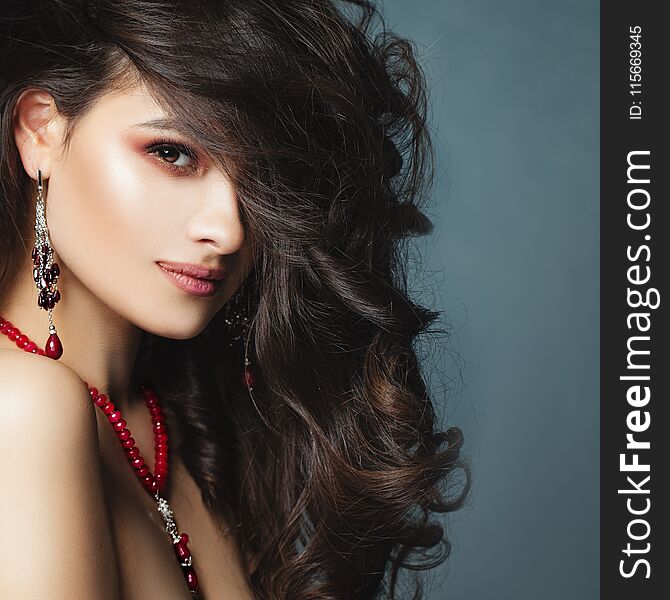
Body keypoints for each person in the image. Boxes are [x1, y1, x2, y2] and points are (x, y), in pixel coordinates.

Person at [0, 0, 470, 598]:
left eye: (262, 180)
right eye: (173, 153)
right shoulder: (20, 406)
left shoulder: (183, 418)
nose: (228, 229)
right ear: (40, 130)